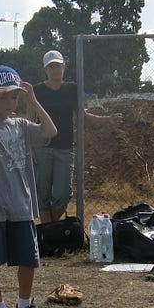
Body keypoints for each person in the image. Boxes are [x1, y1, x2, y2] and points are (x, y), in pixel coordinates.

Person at [0, 65, 57, 308]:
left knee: (28, 259)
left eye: (14, 96)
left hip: (21, 204)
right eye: (3, 96)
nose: (9, 102)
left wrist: (33, 100)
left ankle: (24, 304)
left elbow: (50, 131)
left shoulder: (21, 125)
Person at [33, 49, 120, 223]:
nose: (55, 70)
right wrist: (29, 147)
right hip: (42, 148)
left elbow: (83, 117)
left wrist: (108, 119)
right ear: (45, 69)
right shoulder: (37, 90)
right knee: (41, 194)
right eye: (51, 67)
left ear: (64, 67)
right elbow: (30, 120)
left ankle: (49, 228)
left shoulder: (72, 89)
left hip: (65, 149)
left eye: (58, 66)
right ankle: (50, 234)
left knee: (62, 195)